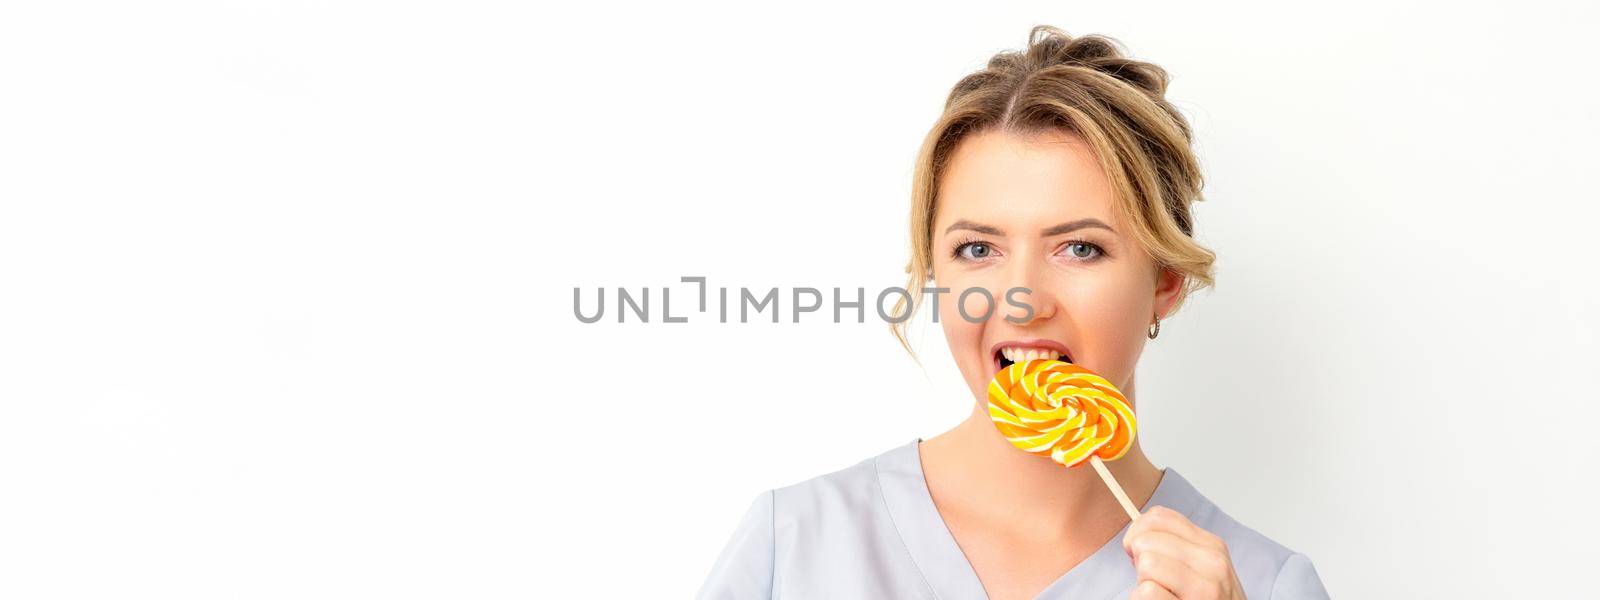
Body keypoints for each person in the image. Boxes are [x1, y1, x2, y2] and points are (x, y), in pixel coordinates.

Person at [695, 25, 1330, 600]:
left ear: (1165, 282)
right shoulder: (795, 543)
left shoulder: (1264, 584)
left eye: (1080, 248)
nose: (1021, 301)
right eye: (978, 249)